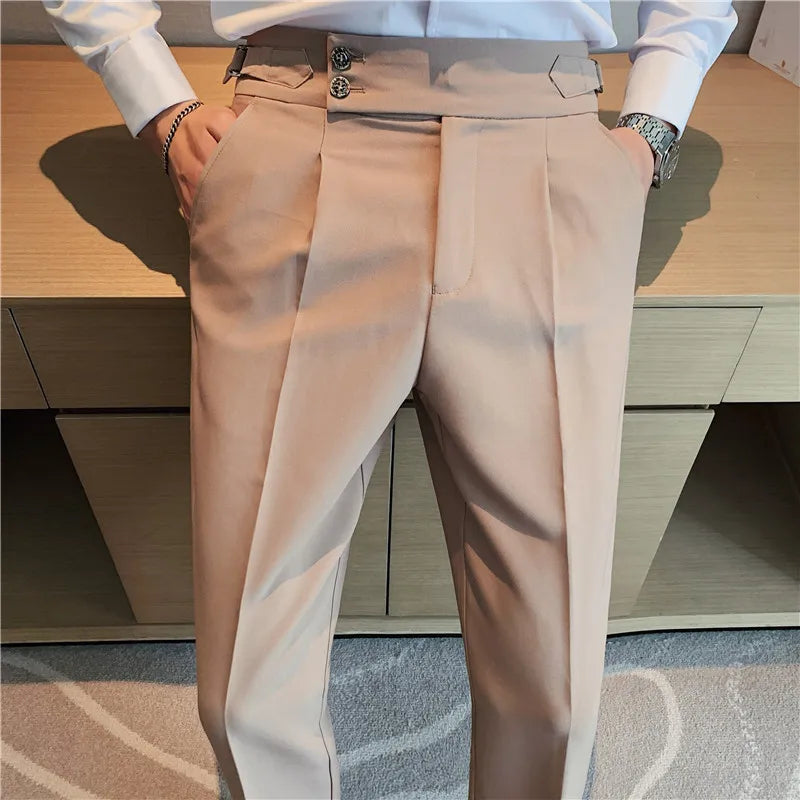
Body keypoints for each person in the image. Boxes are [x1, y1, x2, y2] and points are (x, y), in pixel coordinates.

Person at [43, 2, 738, 798]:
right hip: (299, 129)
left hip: (546, 143)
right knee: (243, 693)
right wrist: (159, 105)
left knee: (559, 690)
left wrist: (652, 128)